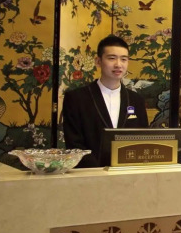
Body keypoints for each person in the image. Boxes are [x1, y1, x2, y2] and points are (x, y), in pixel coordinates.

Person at [62, 34, 149, 167]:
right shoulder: (76, 98)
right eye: (112, 58)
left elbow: (143, 139)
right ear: (98, 61)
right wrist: (100, 171)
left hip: (128, 172)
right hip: (90, 173)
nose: (118, 64)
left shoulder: (136, 100)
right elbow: (74, 144)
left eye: (123, 59)